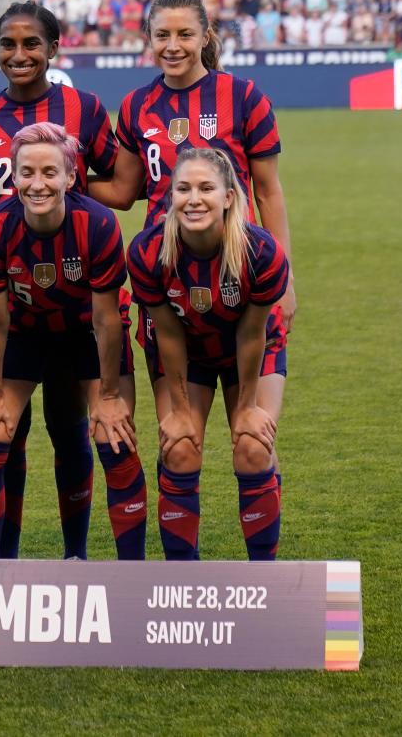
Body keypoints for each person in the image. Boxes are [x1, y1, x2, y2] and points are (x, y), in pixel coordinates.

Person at [0, 0, 130, 559]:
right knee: (0, 432)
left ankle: (75, 555)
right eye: (8, 44)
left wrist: (61, 190)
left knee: (70, 427)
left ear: (53, 49)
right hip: (4, 300)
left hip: (73, 299)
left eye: (31, 44)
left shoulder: (83, 107)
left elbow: (121, 189)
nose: (18, 55)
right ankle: (4, 566)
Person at [0, 122, 144, 560]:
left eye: (50, 172)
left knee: (111, 435)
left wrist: (106, 395)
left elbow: (106, 320)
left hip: (85, 335)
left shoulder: (98, 224)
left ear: (70, 177)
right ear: (14, 175)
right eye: (27, 172)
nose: (38, 183)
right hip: (25, 335)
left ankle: (101, 567)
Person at [88, 0, 295, 332]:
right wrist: (63, 180)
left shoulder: (243, 97)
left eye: (185, 34)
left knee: (242, 384)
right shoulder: (136, 106)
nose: (172, 46)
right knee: (177, 385)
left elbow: (268, 192)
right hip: (164, 269)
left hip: (238, 266)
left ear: (205, 37)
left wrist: (284, 279)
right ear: (148, 39)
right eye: (162, 35)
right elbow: (123, 192)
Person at [127, 148, 289, 560]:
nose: (194, 199)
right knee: (179, 445)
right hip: (189, 349)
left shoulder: (261, 252)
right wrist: (180, 408)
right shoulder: (148, 253)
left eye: (205, 188)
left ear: (229, 196)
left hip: (249, 349)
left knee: (253, 445)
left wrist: (248, 407)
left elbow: (252, 334)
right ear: (170, 197)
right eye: (183, 188)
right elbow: (167, 333)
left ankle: (263, 577)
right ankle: (184, 579)